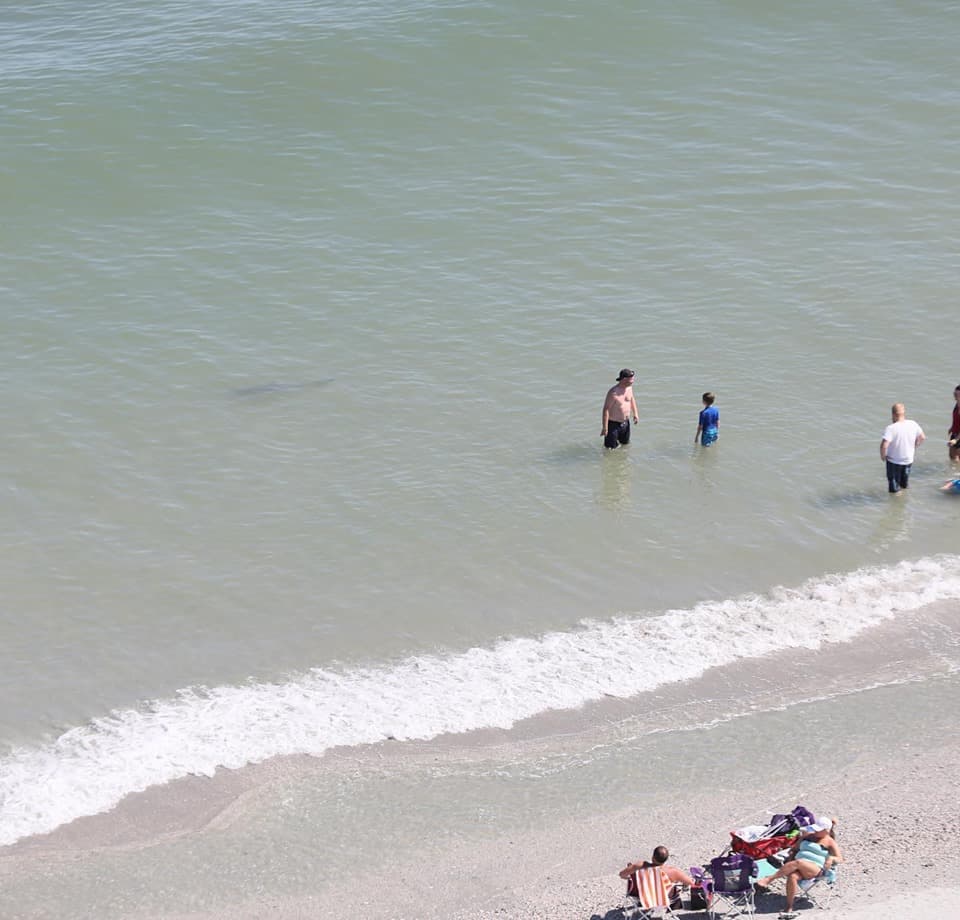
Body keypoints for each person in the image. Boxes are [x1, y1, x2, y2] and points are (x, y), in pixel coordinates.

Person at [755, 819, 842, 920]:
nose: (816, 831)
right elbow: (795, 849)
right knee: (792, 876)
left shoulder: (830, 842)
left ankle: (768, 879)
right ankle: (789, 907)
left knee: (799, 862)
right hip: (798, 867)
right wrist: (790, 858)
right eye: (816, 829)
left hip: (816, 869)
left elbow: (841, 858)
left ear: (827, 830)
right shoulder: (807, 836)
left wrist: (831, 858)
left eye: (819, 830)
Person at [620, 844, 694, 908]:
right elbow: (690, 882)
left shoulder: (639, 866)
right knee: (674, 888)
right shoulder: (673, 872)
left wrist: (631, 879)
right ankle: (673, 906)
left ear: (652, 857)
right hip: (663, 900)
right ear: (666, 859)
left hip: (642, 897)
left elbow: (622, 874)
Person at [880, 403, 925, 494]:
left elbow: (884, 445)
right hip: (908, 460)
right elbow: (922, 437)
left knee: (893, 489)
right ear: (904, 413)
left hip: (894, 461)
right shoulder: (913, 424)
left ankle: (896, 503)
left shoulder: (891, 428)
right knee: (904, 485)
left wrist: (883, 456)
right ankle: (905, 500)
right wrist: (914, 446)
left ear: (893, 414)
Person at [602, 369, 639, 449]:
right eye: (631, 378)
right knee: (610, 450)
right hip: (613, 425)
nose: (633, 380)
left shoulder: (629, 388)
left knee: (625, 446)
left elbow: (632, 399)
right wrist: (605, 427)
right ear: (624, 379)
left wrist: (635, 414)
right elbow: (606, 409)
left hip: (625, 423)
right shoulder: (613, 393)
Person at [948, 385, 960, 462]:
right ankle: (955, 471)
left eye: (956, 394)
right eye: (954, 393)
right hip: (955, 432)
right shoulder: (957, 404)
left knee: (957, 456)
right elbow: (956, 418)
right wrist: (952, 427)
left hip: (959, 436)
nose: (954, 395)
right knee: (952, 456)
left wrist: (956, 440)